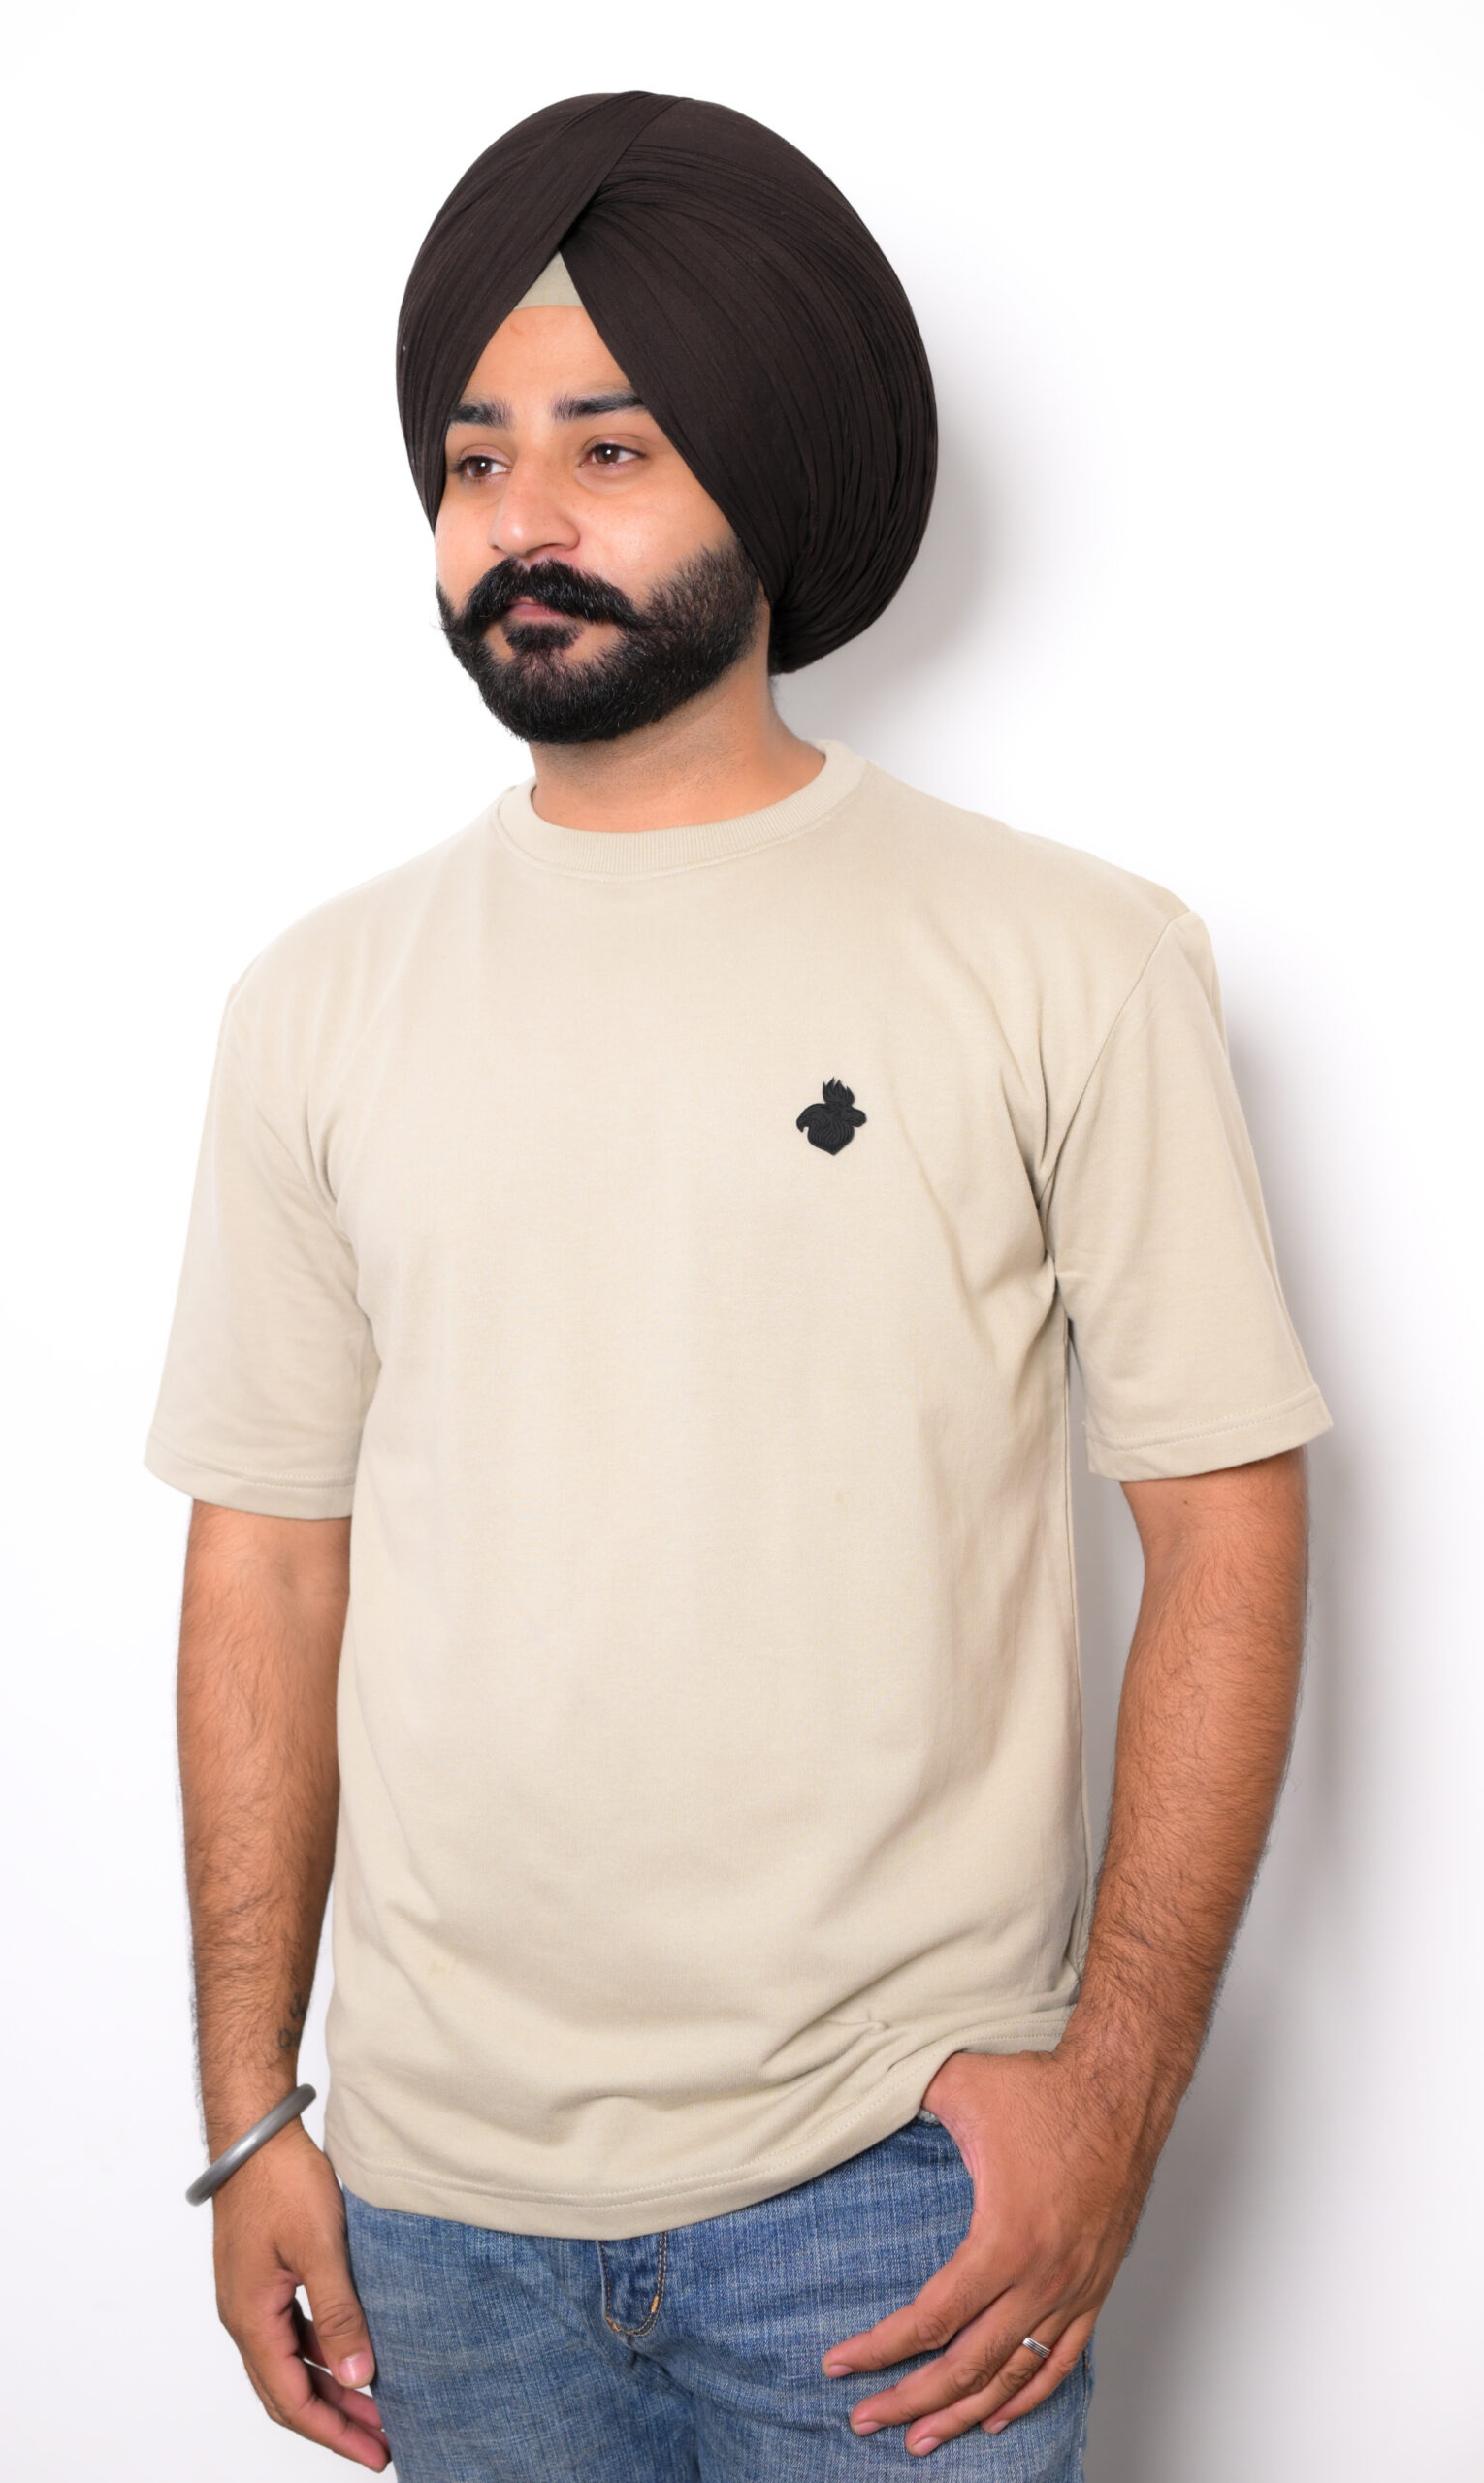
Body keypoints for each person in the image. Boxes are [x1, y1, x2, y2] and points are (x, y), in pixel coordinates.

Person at [147, 91, 1329, 2481]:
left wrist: (1109, 2084)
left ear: (766, 475)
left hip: (892, 2190)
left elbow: (1224, 1521)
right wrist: (252, 2106)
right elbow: (263, 1563)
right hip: (435, 2206)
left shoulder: (1066, 957)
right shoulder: (316, 1002)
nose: (524, 519)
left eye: (608, 446)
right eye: (475, 459)